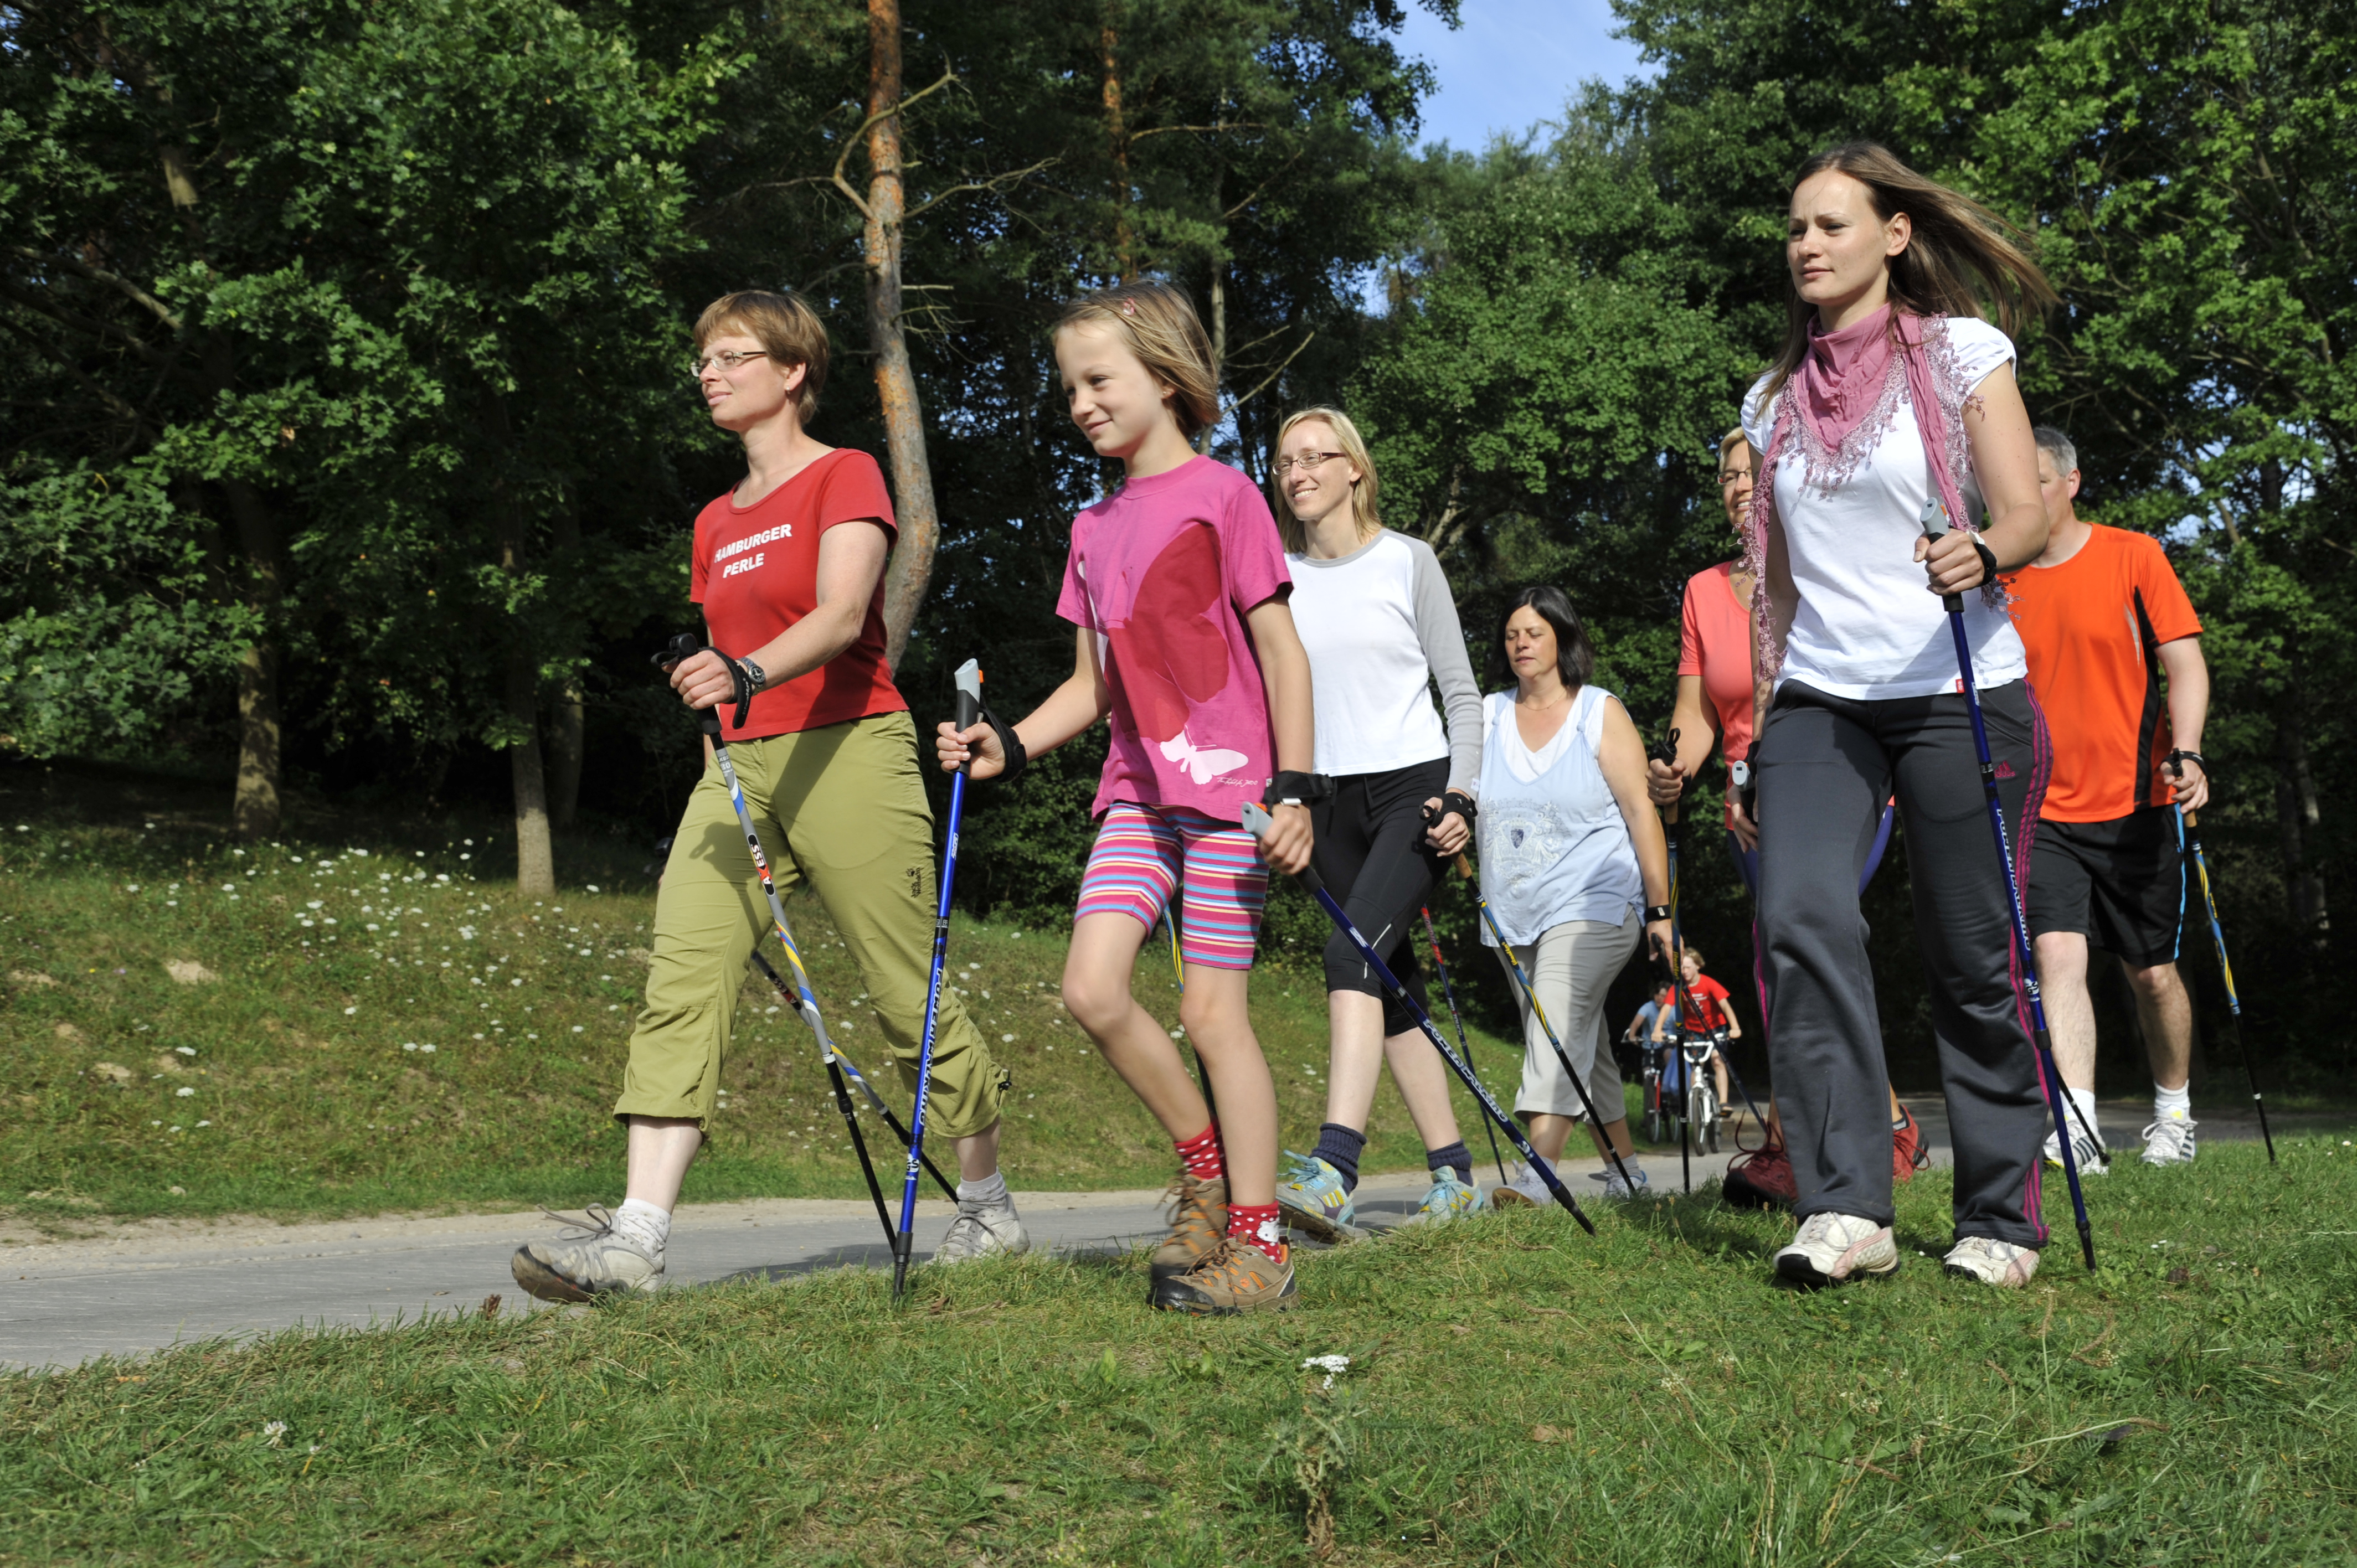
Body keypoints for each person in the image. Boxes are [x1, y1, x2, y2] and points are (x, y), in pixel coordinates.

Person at [511, 290, 1022, 1302]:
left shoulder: (847, 473)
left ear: (792, 371)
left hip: (848, 749)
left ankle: (987, 1201)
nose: (709, 372)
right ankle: (637, 1240)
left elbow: (841, 615)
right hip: (738, 769)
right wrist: (711, 686)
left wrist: (740, 671)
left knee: (899, 990)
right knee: (683, 978)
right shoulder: (712, 519)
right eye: (703, 358)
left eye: (733, 354)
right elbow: (716, 646)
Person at [934, 280, 1316, 1315]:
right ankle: (1206, 1170)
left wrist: (1294, 789)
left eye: (1098, 379)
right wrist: (1004, 743)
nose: (1081, 402)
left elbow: (1284, 655)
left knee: (1210, 1011)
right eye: (1070, 387)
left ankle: (1258, 1240)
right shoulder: (1092, 526)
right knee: (1093, 990)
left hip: (1236, 795)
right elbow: (1090, 685)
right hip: (1135, 795)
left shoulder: (1226, 496)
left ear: (1165, 374)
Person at [1736, 142, 2059, 1290]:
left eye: (1829, 225)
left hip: (1957, 687)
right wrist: (1760, 710)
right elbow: (1774, 584)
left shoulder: (1965, 354)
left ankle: (1998, 1220)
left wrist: (1979, 549)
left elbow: (2022, 511)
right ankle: (1847, 1211)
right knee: (1801, 917)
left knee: (1972, 958)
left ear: (1894, 235)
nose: (1806, 247)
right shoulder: (1768, 398)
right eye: (1794, 230)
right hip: (1823, 700)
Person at [1650, 429, 1923, 1208]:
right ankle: (1865, 1125)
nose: (1740, 486)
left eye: (1754, 473)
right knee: (1781, 962)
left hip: (1839, 783)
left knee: (1806, 942)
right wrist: (1675, 764)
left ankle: (1811, 1140)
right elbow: (1696, 711)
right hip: (1747, 807)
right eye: (1730, 476)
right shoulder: (1705, 590)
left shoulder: (1824, 573)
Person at [1262, 405, 1486, 1238]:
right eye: (1286, 462)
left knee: (1348, 953)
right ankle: (1454, 1177)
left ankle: (1334, 1168)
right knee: (1391, 988)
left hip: (1412, 792)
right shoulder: (1276, 578)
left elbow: (1461, 693)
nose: (1299, 474)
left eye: (1316, 457)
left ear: (1355, 468)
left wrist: (1463, 797)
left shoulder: (1408, 561)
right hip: (1325, 802)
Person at [2008, 425, 2209, 1173]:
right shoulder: (2000, 580)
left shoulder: (2133, 555)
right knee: (2059, 959)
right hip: (2043, 810)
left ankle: (2174, 1114)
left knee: (2152, 974)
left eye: (2036, 479)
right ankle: (2080, 1131)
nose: (2022, 493)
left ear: (2071, 482)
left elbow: (2184, 662)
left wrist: (2186, 752)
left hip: (2137, 803)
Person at [1474, 588, 1676, 1205]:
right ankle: (1626, 1174)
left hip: (1597, 902)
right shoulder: (1485, 715)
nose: (1521, 644)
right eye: (1511, 635)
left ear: (1562, 638)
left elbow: (1641, 810)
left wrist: (1659, 909)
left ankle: (1539, 1174)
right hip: (1513, 913)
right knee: (1575, 1039)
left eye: (1533, 632)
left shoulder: (1597, 712)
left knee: (1555, 1019)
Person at [1650, 946, 1740, 1111]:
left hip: (1714, 1029)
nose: (1684, 971)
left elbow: (1725, 1006)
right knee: (1694, 1065)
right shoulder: (1678, 987)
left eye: (1688, 967)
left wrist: (1734, 1027)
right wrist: (1657, 1030)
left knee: (1717, 1060)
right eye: (1681, 968)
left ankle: (1724, 1102)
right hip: (1693, 1031)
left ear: (1698, 966)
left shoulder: (1709, 983)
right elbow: (1666, 1008)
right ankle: (1696, 1105)